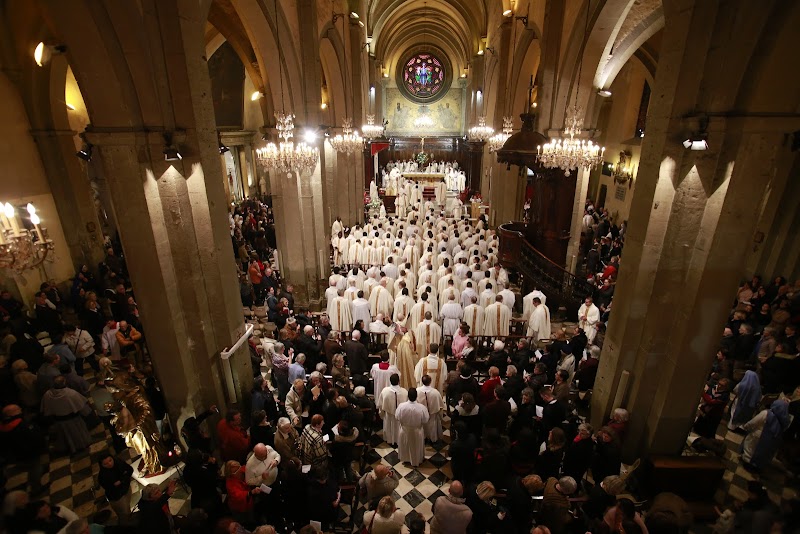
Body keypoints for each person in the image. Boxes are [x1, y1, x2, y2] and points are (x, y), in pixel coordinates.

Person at [0, 404, 46, 494]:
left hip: (14, 455)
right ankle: (36, 489)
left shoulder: (3, 426)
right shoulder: (22, 425)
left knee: (23, 466)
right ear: (12, 414)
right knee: (35, 469)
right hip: (29, 453)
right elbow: (35, 438)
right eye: (18, 409)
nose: (21, 409)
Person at [40, 375, 93, 453]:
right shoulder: (71, 393)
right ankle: (80, 446)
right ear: (64, 383)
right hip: (73, 420)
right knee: (77, 435)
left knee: (65, 437)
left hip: (59, 422)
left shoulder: (47, 394)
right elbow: (82, 406)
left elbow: (46, 410)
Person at [742, 398, 791, 471]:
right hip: (771, 441)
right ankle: (758, 466)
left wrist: (746, 426)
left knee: (751, 450)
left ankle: (748, 462)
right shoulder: (785, 420)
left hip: (758, 437)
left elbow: (754, 422)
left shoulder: (766, 413)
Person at [395, 388, 429, 467]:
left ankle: (406, 458)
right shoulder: (422, 407)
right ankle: (416, 460)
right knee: (416, 446)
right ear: (416, 396)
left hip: (405, 430)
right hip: (417, 431)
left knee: (405, 444)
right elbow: (425, 420)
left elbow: (397, 417)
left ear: (408, 396)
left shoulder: (401, 406)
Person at [98, 453, 134, 525]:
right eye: (106, 464)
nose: (110, 464)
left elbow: (130, 470)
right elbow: (110, 488)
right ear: (102, 465)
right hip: (117, 497)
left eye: (110, 460)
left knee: (127, 507)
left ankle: (130, 522)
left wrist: (121, 481)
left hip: (126, 489)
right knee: (123, 514)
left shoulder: (119, 462)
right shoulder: (102, 476)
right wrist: (124, 477)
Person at [225, 460, 261, 524]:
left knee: (251, 516)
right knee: (243, 521)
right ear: (231, 473)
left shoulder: (242, 470)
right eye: (236, 471)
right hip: (239, 507)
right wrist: (251, 492)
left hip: (249, 502)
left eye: (239, 467)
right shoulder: (230, 483)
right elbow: (237, 495)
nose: (239, 470)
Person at [377, 373, 408, 446]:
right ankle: (399, 440)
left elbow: (380, 405)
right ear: (399, 381)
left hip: (389, 415)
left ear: (390, 381)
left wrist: (382, 414)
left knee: (389, 427)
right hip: (400, 416)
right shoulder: (404, 391)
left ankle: (390, 439)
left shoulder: (385, 391)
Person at [418, 374, 445, 442]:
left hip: (421, 416)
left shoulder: (417, 391)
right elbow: (440, 407)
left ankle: (423, 438)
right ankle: (433, 439)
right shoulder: (435, 392)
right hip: (432, 416)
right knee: (432, 426)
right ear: (430, 382)